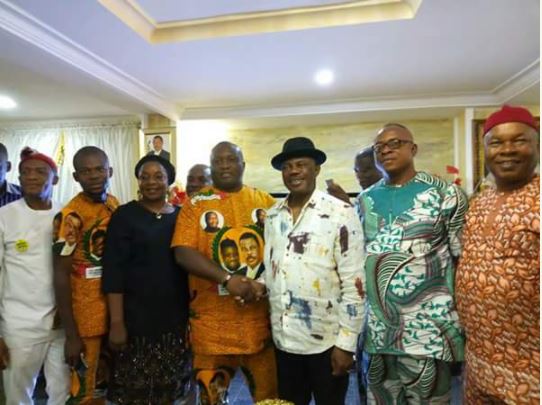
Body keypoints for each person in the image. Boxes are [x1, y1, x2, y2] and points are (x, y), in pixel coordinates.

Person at [357, 123, 468, 403]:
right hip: (379, 333)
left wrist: (461, 327)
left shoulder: (446, 195)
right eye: (379, 147)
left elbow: (463, 260)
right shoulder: (365, 200)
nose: (386, 151)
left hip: (427, 332)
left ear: (413, 148)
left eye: (395, 143)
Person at [171, 141, 277, 404]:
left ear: (243, 165)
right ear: (212, 165)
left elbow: (282, 252)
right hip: (210, 327)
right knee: (211, 398)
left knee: (269, 397)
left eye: (232, 159)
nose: (225, 165)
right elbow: (182, 251)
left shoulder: (265, 201)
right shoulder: (195, 204)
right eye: (219, 161)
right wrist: (227, 280)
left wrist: (260, 285)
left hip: (258, 324)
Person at [261, 137, 365, 405]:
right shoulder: (273, 216)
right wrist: (257, 285)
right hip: (284, 340)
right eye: (287, 166)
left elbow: (355, 284)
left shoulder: (340, 212)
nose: (293, 171)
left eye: (301, 164)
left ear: (316, 169)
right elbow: (275, 267)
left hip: (327, 344)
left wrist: (346, 345)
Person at [456, 105, 540, 404]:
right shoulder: (479, 202)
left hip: (529, 370)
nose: (507, 150)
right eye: (496, 142)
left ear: (537, 144)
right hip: (479, 360)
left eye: (519, 140)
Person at [102, 155, 193, 404]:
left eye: (158, 176)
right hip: (135, 319)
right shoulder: (124, 216)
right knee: (135, 391)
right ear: (138, 182)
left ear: (169, 181)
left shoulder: (183, 216)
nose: (151, 182)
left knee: (170, 390)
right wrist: (117, 322)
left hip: (174, 319)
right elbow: (114, 271)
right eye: (145, 177)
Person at [0, 147, 69, 404]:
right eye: (25, 172)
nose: (31, 177)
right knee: (19, 395)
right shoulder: (5, 217)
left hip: (59, 323)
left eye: (40, 172)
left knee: (61, 393)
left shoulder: (66, 215)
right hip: (19, 325)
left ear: (55, 179)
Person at [53, 146, 119, 404]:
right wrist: (70, 334)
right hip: (84, 317)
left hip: (114, 311)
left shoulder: (114, 204)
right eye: (86, 171)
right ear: (76, 177)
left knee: (109, 384)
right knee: (83, 390)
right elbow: (60, 274)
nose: (94, 176)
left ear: (109, 171)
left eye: (99, 169)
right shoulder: (70, 216)